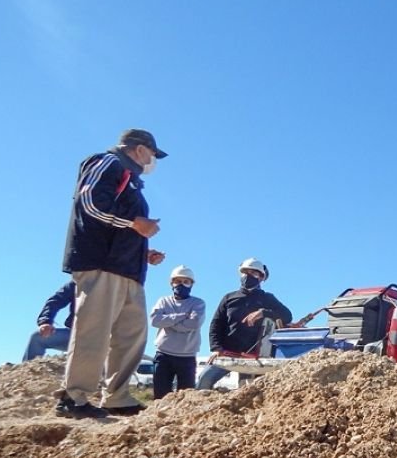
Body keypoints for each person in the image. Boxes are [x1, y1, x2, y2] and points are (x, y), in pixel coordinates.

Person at [54, 129, 167, 419]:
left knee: (133, 333)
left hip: (129, 269)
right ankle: (74, 396)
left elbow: (121, 226)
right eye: (153, 154)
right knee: (94, 329)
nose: (153, 161)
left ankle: (116, 396)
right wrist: (134, 223)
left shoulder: (133, 182)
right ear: (140, 149)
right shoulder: (107, 163)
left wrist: (144, 251)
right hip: (102, 263)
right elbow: (89, 203)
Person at [197, 258, 293, 390]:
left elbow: (287, 316)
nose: (248, 276)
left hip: (254, 357)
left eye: (253, 273)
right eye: (245, 272)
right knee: (204, 381)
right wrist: (216, 348)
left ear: (261, 277)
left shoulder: (267, 298)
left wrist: (263, 312)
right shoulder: (229, 298)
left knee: (248, 392)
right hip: (227, 353)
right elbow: (216, 324)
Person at [149, 265, 206, 399]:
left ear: (192, 284)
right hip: (163, 355)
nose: (181, 285)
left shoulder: (198, 303)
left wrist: (168, 322)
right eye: (178, 281)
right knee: (160, 397)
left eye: (186, 281)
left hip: (187, 357)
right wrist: (181, 316)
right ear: (171, 283)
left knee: (186, 399)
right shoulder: (163, 301)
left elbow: (194, 323)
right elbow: (155, 321)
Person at [22, 281, 76, 361]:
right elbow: (55, 301)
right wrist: (45, 321)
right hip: (76, 334)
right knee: (38, 338)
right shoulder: (76, 283)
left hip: (100, 339)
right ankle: (29, 371)